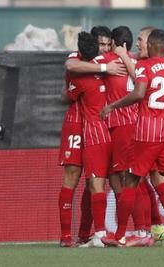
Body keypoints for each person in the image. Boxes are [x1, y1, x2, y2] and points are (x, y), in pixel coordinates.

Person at [100, 29, 164, 247]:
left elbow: (139, 93)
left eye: (143, 42)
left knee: (131, 182)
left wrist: (113, 105)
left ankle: (120, 235)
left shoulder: (144, 66)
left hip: (147, 133)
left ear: (151, 45)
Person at [58, 25, 115, 247]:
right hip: (75, 125)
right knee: (72, 177)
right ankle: (65, 237)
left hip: (98, 127)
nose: (103, 47)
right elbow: (70, 65)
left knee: (94, 182)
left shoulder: (110, 60)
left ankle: (87, 234)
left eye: (107, 44)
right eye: (100, 43)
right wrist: (102, 68)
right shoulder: (79, 59)